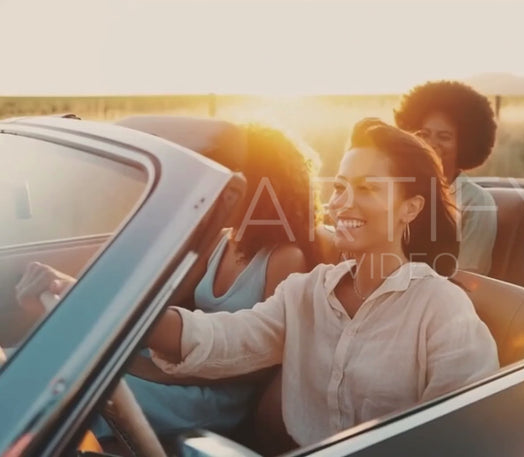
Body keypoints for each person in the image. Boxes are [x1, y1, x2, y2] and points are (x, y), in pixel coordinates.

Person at [146, 118, 499, 447]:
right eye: (341, 187)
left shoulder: (441, 307)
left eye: (367, 189)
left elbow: (464, 432)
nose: (343, 204)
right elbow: (226, 337)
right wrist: (133, 317)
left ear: (410, 208)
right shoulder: (306, 291)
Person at [15, 122, 322, 437]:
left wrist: (157, 372)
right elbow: (159, 302)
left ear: (263, 187)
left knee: (80, 398)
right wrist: (77, 298)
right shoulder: (222, 240)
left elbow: (262, 363)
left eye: (234, 175)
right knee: (45, 369)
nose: (221, 187)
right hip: (174, 362)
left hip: (217, 392)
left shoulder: (285, 258)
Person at [394, 81, 498, 275]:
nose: (431, 144)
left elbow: (471, 280)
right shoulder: (399, 190)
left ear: (465, 144)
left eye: (444, 137)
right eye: (423, 134)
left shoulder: (476, 202)